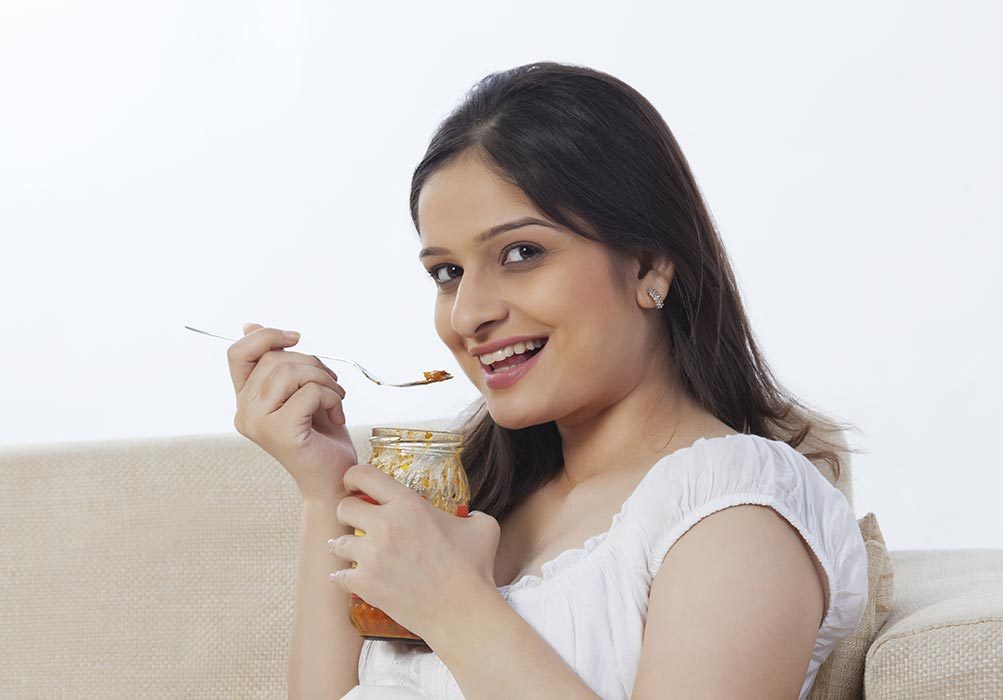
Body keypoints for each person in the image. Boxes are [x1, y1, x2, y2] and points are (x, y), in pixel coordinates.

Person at [227, 61, 868, 700]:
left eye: (521, 253)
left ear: (649, 264)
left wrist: (454, 606)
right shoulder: (472, 493)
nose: (469, 313)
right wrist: (323, 488)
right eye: (447, 272)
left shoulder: (733, 509)